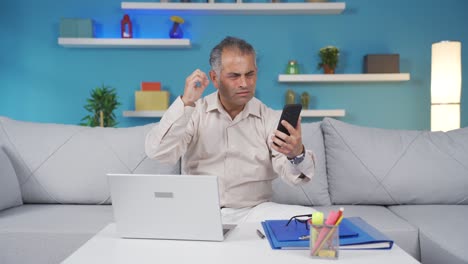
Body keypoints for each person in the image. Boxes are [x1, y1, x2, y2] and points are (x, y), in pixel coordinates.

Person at [145, 36, 316, 220]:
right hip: (199, 211)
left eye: (249, 74)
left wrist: (296, 154)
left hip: (254, 212)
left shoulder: (269, 118)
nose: (244, 83)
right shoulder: (194, 112)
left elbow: (297, 178)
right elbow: (158, 152)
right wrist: (186, 102)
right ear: (215, 78)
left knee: (311, 217)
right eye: (234, 76)